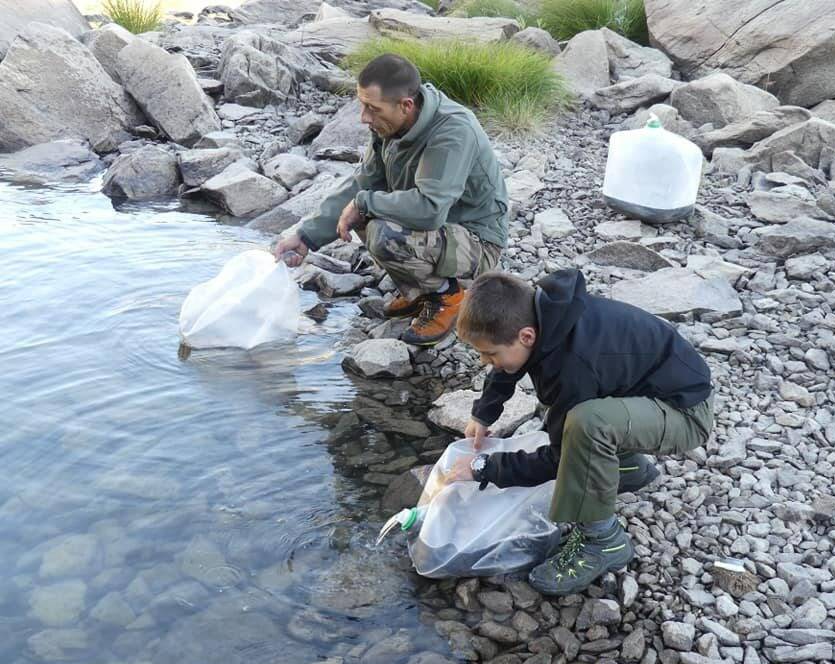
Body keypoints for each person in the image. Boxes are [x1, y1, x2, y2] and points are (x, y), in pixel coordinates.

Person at [452, 269, 714, 595]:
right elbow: (509, 362)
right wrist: (484, 412)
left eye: (489, 354)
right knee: (567, 415)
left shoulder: (574, 365)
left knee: (585, 424)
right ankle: (627, 469)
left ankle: (603, 541)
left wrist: (485, 468)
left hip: (685, 414)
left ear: (527, 336)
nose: (483, 360)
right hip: (650, 390)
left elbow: (560, 460)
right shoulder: (545, 312)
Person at [273, 53, 509, 346]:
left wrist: (365, 203)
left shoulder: (452, 132)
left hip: (477, 241)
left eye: (372, 108)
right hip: (442, 232)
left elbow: (430, 209)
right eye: (362, 105)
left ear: (406, 105)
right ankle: (418, 291)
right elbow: (363, 182)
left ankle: (449, 296)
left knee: (383, 229)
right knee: (365, 211)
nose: (364, 117)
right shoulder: (389, 126)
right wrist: (306, 237)